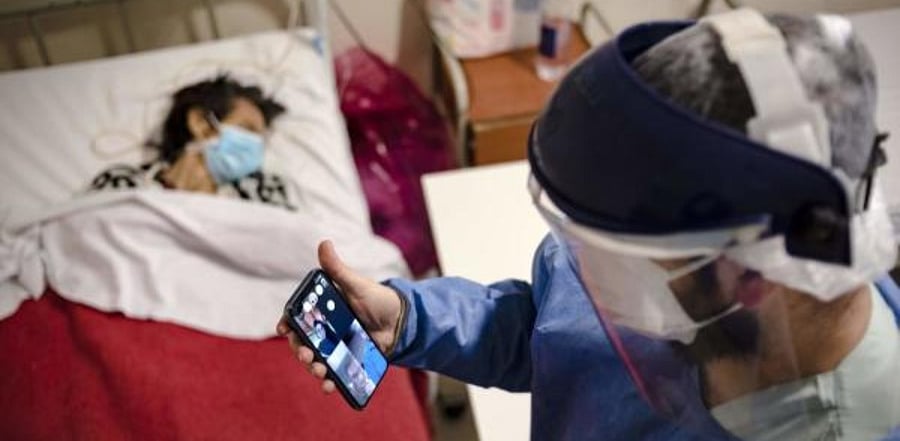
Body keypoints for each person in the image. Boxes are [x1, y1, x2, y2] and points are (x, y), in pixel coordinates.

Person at [277, 9, 900, 441]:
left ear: (750, 275)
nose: (590, 273)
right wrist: (413, 319)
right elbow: (558, 334)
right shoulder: (700, 297)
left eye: (623, 258)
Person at [89, 74, 296, 210]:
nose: (255, 146)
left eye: (261, 140)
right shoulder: (124, 182)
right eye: (246, 129)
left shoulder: (262, 192)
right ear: (200, 123)